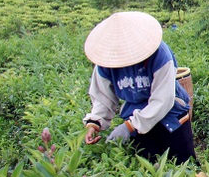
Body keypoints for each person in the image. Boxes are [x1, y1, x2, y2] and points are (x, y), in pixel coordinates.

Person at [82, 11, 195, 164]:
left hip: (170, 113)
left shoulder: (160, 55)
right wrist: (94, 123)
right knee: (149, 165)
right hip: (136, 115)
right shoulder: (106, 63)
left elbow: (162, 100)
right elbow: (102, 97)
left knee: (184, 163)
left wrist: (129, 126)